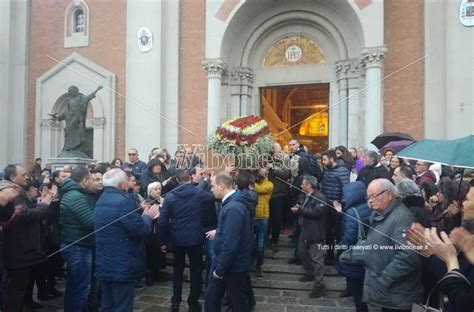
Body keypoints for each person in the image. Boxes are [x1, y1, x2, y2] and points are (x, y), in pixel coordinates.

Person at [94, 168, 160, 312]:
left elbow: (120, 222)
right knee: (122, 305)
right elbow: (140, 230)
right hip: (121, 263)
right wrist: (148, 217)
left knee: (107, 304)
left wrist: (139, 213)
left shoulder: (101, 198)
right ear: (122, 185)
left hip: (104, 261)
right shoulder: (124, 201)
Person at [362, 179, 423, 311]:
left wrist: (383, 280)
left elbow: (408, 256)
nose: (370, 200)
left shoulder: (402, 218)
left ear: (389, 195)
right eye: (368, 197)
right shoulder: (382, 214)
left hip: (398, 297)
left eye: (374, 195)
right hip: (388, 295)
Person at [158, 169, 214, 312]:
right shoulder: (196, 193)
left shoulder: (170, 197)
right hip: (195, 239)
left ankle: (176, 301)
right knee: (195, 270)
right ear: (190, 179)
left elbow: (163, 222)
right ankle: (193, 302)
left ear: (177, 180)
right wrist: (208, 181)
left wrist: (163, 241)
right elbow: (211, 197)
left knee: (178, 270)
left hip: (177, 239)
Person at [2, 165, 56, 311]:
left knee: (21, 288)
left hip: (24, 248)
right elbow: (25, 215)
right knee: (15, 292)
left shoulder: (18, 191)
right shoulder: (12, 192)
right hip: (18, 248)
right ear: (13, 178)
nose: (28, 177)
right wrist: (44, 205)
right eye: (24, 175)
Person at [205, 173, 252, 312]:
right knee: (214, 298)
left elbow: (231, 243)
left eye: (213, 186)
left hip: (231, 266)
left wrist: (220, 269)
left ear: (221, 186)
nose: (211, 189)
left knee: (236, 302)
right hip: (228, 263)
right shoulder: (231, 205)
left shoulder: (233, 208)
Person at [59, 166, 95, 311]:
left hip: (74, 243)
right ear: (85, 180)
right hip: (78, 246)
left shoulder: (73, 193)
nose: (93, 182)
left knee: (73, 286)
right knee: (81, 288)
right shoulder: (76, 196)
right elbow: (90, 222)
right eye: (92, 179)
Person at [333, 181, 371, 312]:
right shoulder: (369, 206)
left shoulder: (351, 212)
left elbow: (349, 237)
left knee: (358, 294)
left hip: (355, 256)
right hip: (369, 252)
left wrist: (338, 249)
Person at [294, 175, 328, 298]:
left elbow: (317, 212)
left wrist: (300, 210)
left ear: (309, 185)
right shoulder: (303, 196)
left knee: (317, 260)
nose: (301, 186)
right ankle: (310, 272)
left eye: (303, 184)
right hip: (305, 231)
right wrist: (297, 208)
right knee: (301, 253)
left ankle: (319, 285)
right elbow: (300, 206)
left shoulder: (320, 197)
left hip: (316, 233)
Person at [50, 85, 102, 155]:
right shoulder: (69, 100)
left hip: (78, 120)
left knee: (78, 134)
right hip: (70, 120)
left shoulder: (81, 98)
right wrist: (58, 117)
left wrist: (97, 89)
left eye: (71, 90)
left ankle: (77, 148)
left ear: (75, 90)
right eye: (69, 91)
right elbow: (66, 111)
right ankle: (69, 148)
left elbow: (89, 97)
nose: (70, 92)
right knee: (69, 134)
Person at [268, 143, 291, 252]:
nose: (276, 154)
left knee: (277, 219)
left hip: (278, 194)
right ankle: (265, 238)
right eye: (274, 152)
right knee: (266, 218)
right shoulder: (266, 158)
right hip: (266, 193)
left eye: (277, 152)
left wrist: (273, 167)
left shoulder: (285, 160)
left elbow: (286, 174)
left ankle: (274, 241)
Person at [253, 167, 273, 278]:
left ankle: (259, 266)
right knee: (250, 243)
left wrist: (251, 181)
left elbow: (259, 189)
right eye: (258, 171)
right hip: (252, 217)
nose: (259, 173)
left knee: (260, 245)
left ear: (266, 173)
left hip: (263, 218)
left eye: (261, 172)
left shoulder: (269, 184)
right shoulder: (254, 183)